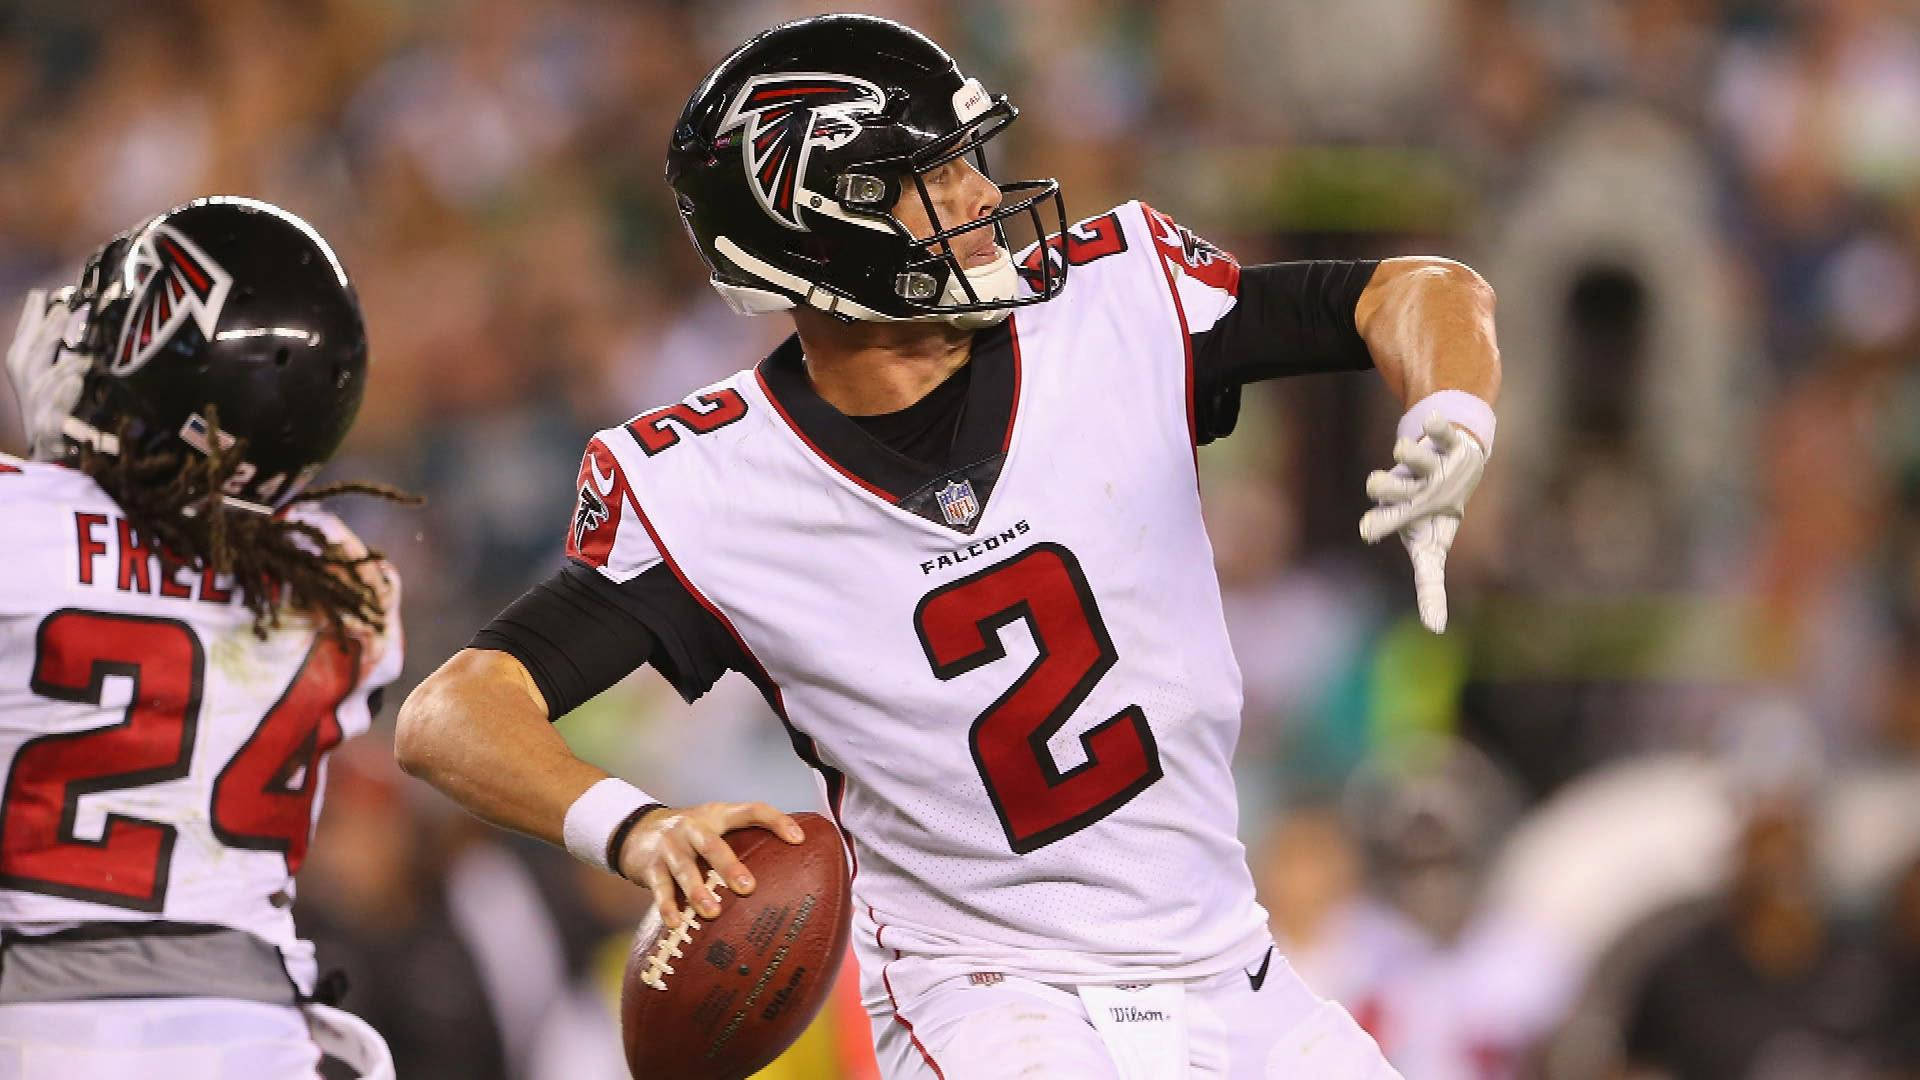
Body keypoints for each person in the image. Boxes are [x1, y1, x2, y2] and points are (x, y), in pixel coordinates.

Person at [397, 13, 1500, 1077]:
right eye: (936, 176)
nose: (981, 196)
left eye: (973, 159)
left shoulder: (1113, 310)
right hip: (988, 995)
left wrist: (1450, 412)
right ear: (821, 229)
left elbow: (1415, 289)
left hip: (1233, 965)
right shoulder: (708, 488)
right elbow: (453, 711)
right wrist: (632, 827)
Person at [0, 196, 409, 1079]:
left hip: (38, 1028)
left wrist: (63, 474)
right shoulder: (345, 578)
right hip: (259, 1038)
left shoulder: (15, 522)